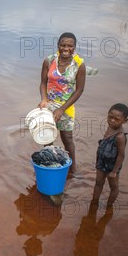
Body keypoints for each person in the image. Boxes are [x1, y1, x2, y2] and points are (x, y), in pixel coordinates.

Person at [38, 32, 86, 172]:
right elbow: (42, 83)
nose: (66, 48)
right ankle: (49, 165)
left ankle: (73, 169)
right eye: (63, 45)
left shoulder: (79, 65)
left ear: (74, 47)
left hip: (67, 106)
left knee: (67, 139)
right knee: (47, 137)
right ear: (58, 45)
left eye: (70, 46)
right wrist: (43, 99)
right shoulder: (49, 61)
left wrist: (62, 109)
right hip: (49, 104)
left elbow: (79, 90)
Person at [92, 103, 128, 208]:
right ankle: (94, 203)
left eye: (116, 119)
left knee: (114, 186)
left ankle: (109, 206)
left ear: (124, 121)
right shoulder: (110, 127)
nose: (112, 121)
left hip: (112, 165)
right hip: (101, 161)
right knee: (98, 182)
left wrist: (114, 171)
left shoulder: (120, 136)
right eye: (110, 117)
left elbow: (121, 155)